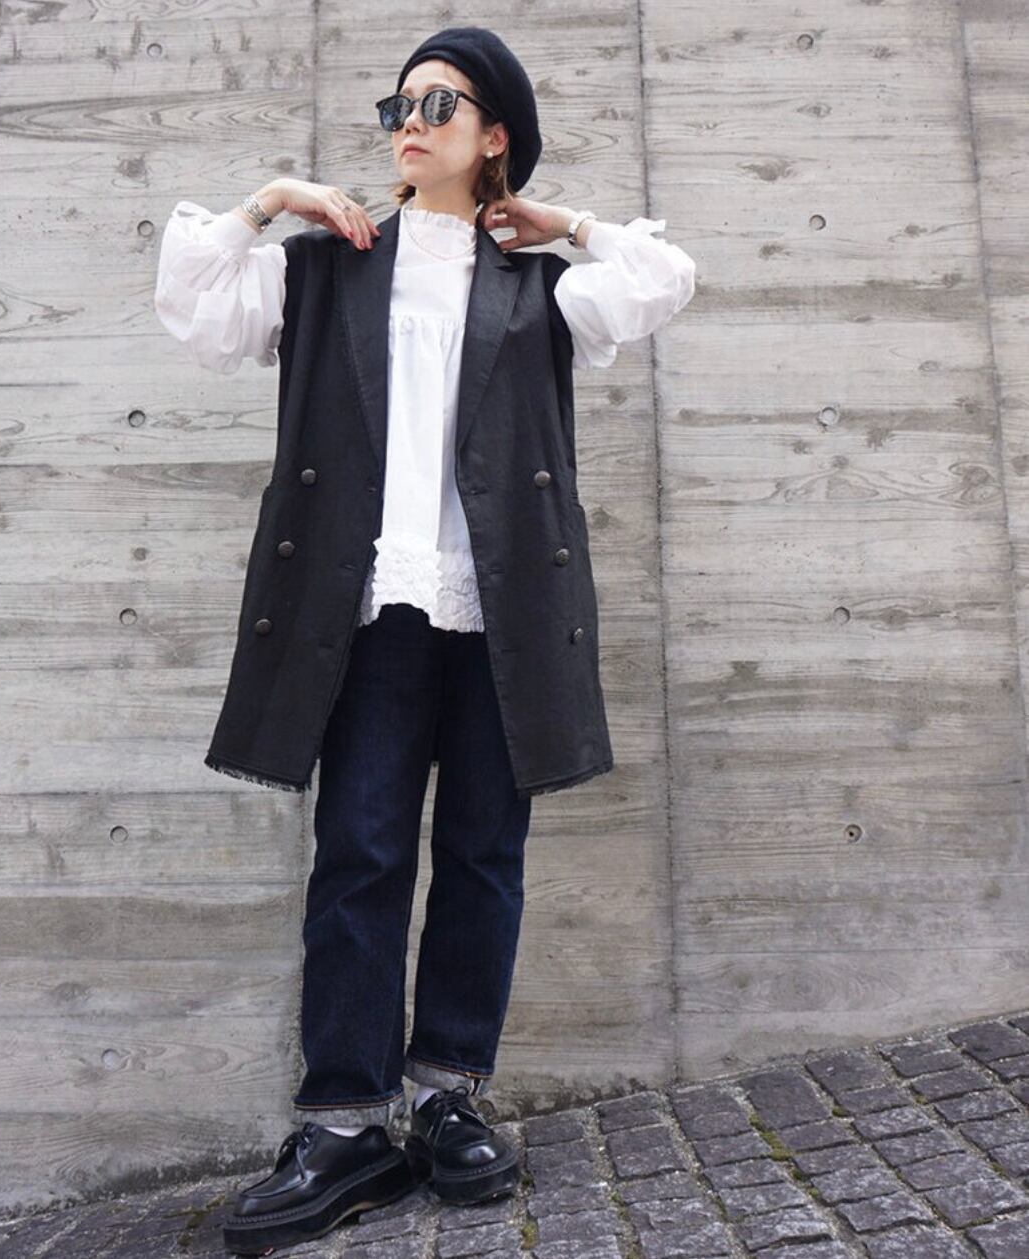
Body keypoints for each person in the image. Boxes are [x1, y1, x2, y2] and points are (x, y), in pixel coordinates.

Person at [154, 25, 696, 1256]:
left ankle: (449, 1095)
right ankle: (346, 1122)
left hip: (502, 611)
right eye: (399, 102)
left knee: (486, 854)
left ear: (493, 133)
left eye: (440, 103)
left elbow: (665, 277)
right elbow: (194, 303)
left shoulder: (539, 286)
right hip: (372, 607)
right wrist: (270, 201)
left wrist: (563, 223)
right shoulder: (326, 267)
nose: (411, 119)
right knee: (359, 851)